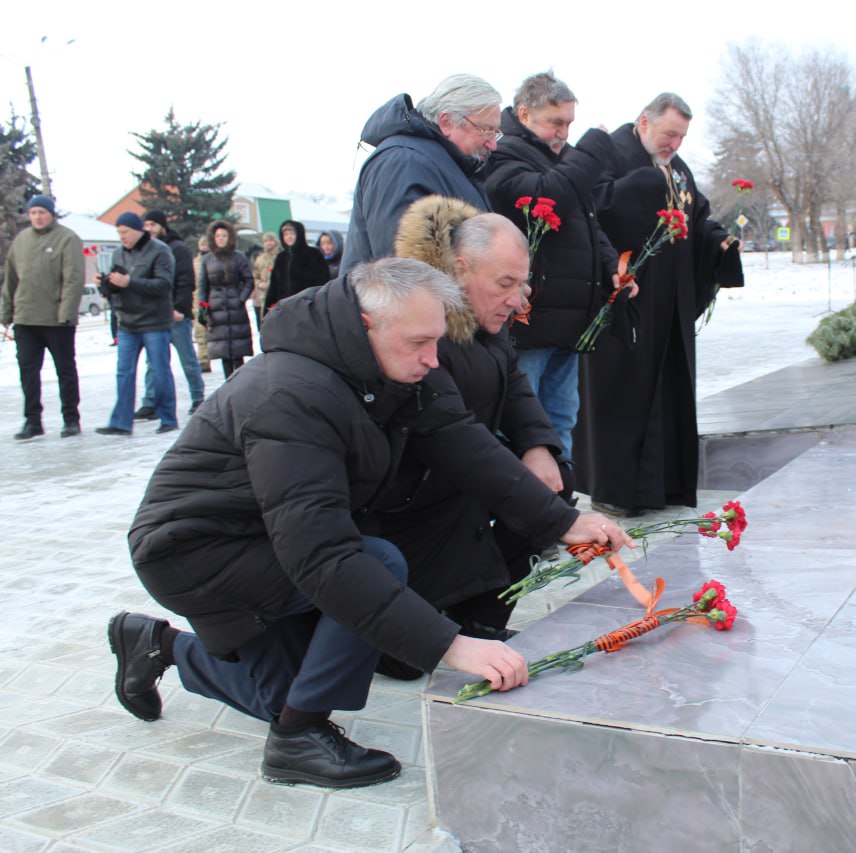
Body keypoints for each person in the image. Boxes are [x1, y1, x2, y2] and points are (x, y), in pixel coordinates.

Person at [110, 257, 629, 787]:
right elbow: (322, 556)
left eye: (437, 342)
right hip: (195, 551)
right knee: (374, 562)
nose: (433, 360)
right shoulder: (292, 394)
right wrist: (451, 645)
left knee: (281, 694)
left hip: (267, 537)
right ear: (366, 325)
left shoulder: (384, 367)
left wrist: (560, 521)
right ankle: (297, 740)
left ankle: (157, 645)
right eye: (419, 343)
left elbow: (463, 443)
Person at [388, 197, 631, 653]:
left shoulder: (483, 317)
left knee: (552, 479)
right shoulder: (423, 328)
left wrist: (538, 447)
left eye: (523, 283)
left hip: (455, 479)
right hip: (409, 498)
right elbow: (456, 436)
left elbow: (515, 386)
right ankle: (437, 617)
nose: (519, 300)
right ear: (460, 269)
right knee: (408, 657)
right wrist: (562, 521)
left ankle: (480, 619)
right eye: (506, 284)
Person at [576, 92, 743, 516]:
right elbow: (593, 207)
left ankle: (665, 487)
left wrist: (718, 241)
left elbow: (697, 217)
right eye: (670, 134)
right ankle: (615, 491)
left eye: (682, 137)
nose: (675, 144)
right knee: (624, 395)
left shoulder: (678, 169)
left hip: (670, 304)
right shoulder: (611, 153)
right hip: (627, 300)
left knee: (670, 391)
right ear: (645, 122)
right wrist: (646, 185)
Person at [484, 71, 623, 460]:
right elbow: (549, 195)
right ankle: (521, 495)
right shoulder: (503, 154)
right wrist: (592, 152)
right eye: (555, 122)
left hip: (567, 319)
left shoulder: (562, 159)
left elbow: (587, 225)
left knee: (561, 419)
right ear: (524, 114)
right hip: (530, 319)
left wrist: (612, 265)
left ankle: (560, 492)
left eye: (569, 123)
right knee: (522, 425)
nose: (564, 133)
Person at [338, 74, 500, 281]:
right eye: (486, 130)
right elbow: (403, 273)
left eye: (496, 132)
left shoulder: (446, 166)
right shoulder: (404, 162)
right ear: (447, 122)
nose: (493, 144)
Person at [1, 194, 85, 440]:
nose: (37, 217)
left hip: (56, 320)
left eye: (42, 212)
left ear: (51, 214)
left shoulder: (67, 238)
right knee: (28, 372)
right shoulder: (21, 241)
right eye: (33, 213)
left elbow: (73, 279)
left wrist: (66, 313)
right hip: (26, 319)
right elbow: (10, 279)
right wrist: (7, 311)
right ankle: (32, 421)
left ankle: (71, 418)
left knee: (65, 370)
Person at [94, 213, 177, 436]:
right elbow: (117, 288)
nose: (122, 237)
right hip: (127, 323)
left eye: (125, 232)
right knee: (124, 372)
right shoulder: (118, 254)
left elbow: (164, 284)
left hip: (155, 322)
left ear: (138, 231)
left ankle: (168, 417)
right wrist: (105, 285)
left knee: (160, 371)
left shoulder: (160, 250)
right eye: (119, 233)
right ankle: (121, 422)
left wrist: (130, 282)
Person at [137, 210, 204, 418]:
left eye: (153, 224)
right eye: (146, 225)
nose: (149, 229)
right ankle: (151, 402)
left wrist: (180, 308)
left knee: (187, 359)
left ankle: (198, 397)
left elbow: (186, 281)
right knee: (153, 362)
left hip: (176, 314)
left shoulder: (178, 248)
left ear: (162, 225)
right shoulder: (145, 249)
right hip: (154, 316)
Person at [197, 220, 255, 378]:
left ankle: (241, 382)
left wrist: (240, 299)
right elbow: (203, 284)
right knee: (223, 351)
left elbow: (249, 281)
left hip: (236, 308)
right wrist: (203, 306)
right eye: (218, 236)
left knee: (238, 350)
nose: (221, 238)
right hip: (216, 308)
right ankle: (228, 381)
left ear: (230, 237)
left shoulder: (239, 257)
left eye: (224, 235)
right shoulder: (207, 259)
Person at [264, 220, 330, 313]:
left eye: (292, 233)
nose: (289, 237)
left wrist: (315, 303)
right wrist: (268, 309)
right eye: (286, 234)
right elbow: (274, 286)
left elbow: (322, 282)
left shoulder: (313, 254)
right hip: (285, 309)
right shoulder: (281, 257)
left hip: (307, 308)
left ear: (299, 234)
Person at [251, 231, 280, 327]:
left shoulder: (281, 256)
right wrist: (259, 284)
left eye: (271, 240)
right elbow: (255, 276)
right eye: (266, 241)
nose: (268, 243)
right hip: (265, 296)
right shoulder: (260, 259)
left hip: (280, 295)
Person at [193, 236, 212, 372]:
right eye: (202, 245)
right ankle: (203, 359)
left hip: (214, 297)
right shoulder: (195, 262)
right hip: (198, 300)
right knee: (200, 330)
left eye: (206, 245)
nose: (204, 247)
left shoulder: (215, 260)